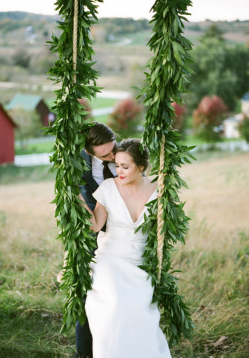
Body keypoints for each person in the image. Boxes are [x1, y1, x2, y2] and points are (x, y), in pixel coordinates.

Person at [81, 139, 171, 358]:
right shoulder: (108, 187)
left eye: (125, 166)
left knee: (138, 311)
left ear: (141, 167)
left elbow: (162, 231)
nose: (118, 171)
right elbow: (95, 226)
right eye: (117, 165)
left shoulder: (158, 190)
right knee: (113, 304)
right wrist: (76, 198)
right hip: (110, 257)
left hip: (140, 260)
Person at [57, 122, 117, 358]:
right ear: (90, 152)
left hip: (124, 237)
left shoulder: (125, 154)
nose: (113, 156)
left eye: (113, 149)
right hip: (92, 234)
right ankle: (85, 352)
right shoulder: (77, 163)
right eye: (106, 154)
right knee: (87, 295)